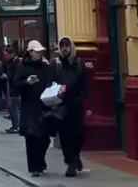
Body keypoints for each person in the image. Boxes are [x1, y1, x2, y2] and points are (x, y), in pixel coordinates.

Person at [14, 40, 56, 178]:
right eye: (37, 51)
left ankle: (40, 160)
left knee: (44, 138)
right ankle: (34, 167)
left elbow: (51, 80)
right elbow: (15, 84)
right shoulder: (23, 66)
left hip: (43, 105)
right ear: (30, 52)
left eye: (41, 51)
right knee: (31, 138)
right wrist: (26, 82)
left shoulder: (46, 66)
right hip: (29, 106)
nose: (40, 54)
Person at [53, 37, 88, 177]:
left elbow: (85, 86)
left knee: (78, 134)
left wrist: (88, 105)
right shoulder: (57, 65)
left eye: (67, 46)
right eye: (62, 46)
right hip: (61, 105)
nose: (64, 48)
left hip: (76, 104)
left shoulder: (79, 64)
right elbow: (52, 83)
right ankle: (70, 164)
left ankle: (76, 155)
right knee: (64, 136)